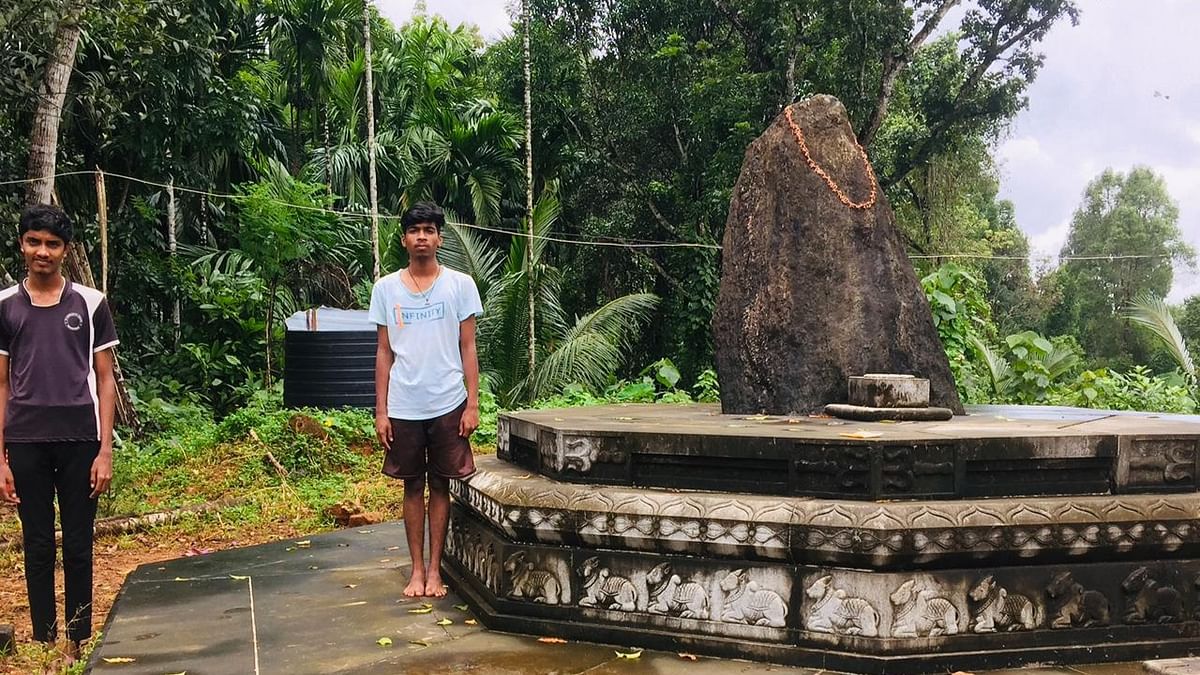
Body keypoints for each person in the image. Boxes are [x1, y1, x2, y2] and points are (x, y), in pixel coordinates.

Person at [0, 204, 118, 661]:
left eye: (52, 244)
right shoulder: (6, 306)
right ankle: (46, 641)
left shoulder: (90, 303)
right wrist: (2, 457)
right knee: (37, 543)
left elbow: (104, 376)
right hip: (26, 439)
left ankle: (75, 638)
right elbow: (3, 383)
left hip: (80, 440)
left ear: (65, 251)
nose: (42, 251)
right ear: (22, 245)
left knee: (78, 542)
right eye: (34, 242)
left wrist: (104, 449)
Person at [370, 202, 482, 598]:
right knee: (412, 484)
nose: (422, 237)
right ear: (404, 239)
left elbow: (468, 346)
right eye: (415, 230)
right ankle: (415, 570)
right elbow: (384, 351)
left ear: (439, 238)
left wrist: (472, 403)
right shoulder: (386, 288)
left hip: (449, 401)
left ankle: (436, 571)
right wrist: (381, 410)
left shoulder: (460, 285)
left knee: (441, 483)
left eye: (429, 230)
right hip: (403, 404)